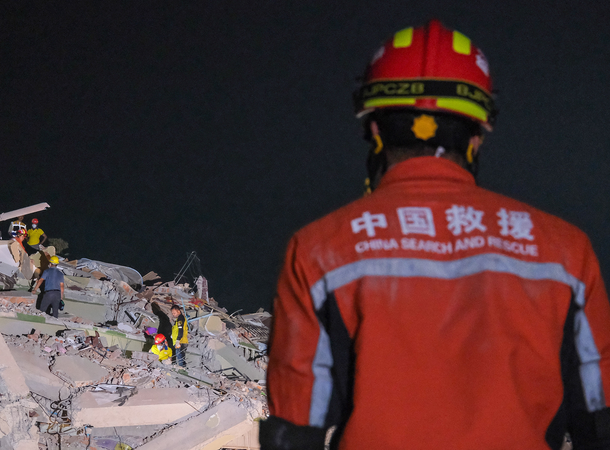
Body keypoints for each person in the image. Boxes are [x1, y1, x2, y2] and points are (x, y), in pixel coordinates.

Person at [261, 19, 610, 450]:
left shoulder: (316, 252)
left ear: (373, 128)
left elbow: (294, 431)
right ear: (477, 136)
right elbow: (599, 422)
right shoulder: (567, 254)